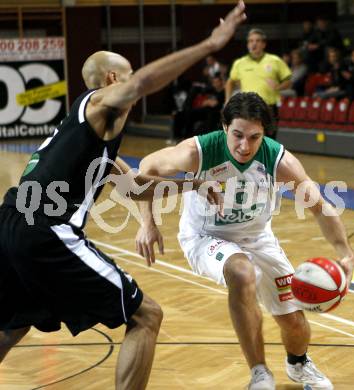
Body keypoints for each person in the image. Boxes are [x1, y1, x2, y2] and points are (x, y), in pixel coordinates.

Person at [0, 2, 246, 389]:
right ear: (113, 78)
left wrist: (194, 184)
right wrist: (208, 45)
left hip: (13, 222)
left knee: (13, 321)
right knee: (146, 316)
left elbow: (136, 186)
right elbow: (142, 84)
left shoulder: (84, 136)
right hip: (44, 231)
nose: (135, 85)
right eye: (129, 76)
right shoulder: (98, 103)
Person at [135, 92, 354, 390]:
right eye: (237, 135)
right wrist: (147, 222)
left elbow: (320, 206)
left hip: (258, 238)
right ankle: (259, 373)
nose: (244, 145)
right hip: (205, 237)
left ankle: (298, 364)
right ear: (224, 126)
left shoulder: (278, 160)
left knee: (293, 322)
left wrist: (345, 252)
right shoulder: (197, 151)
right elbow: (146, 168)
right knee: (242, 272)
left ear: (264, 134)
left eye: (254, 137)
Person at [225, 28, 292, 139]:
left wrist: (279, 86)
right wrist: (227, 100)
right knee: (249, 141)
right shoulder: (240, 63)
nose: (253, 44)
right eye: (250, 41)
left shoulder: (275, 60)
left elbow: (289, 81)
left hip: (269, 108)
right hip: (247, 109)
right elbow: (230, 82)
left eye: (257, 41)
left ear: (263, 44)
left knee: (270, 142)